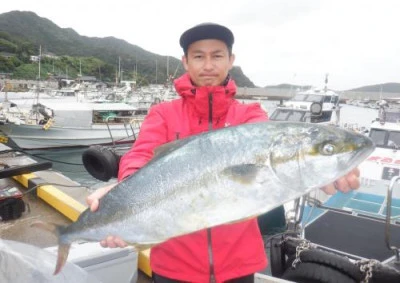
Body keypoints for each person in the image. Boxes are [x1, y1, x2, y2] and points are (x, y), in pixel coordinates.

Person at [87, 22, 361, 283]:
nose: (208, 65)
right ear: (186, 62)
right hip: (173, 265)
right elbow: (140, 155)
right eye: (198, 56)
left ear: (231, 60)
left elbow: (279, 162)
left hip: (237, 266)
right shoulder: (164, 114)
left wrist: (321, 172)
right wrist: (124, 188)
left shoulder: (250, 115)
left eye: (217, 55)